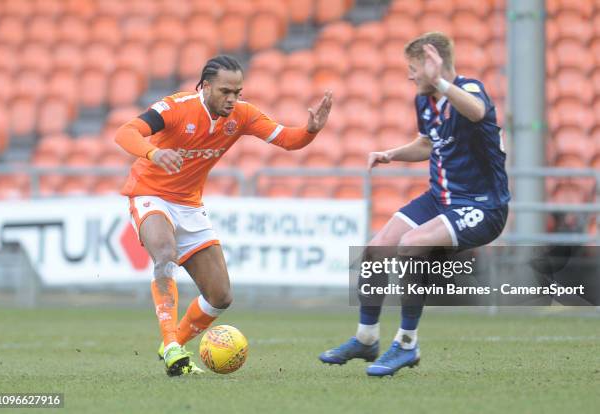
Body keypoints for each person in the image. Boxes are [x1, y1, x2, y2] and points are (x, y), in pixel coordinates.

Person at [115, 55, 332, 376]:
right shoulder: (176, 108)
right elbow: (126, 132)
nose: (232, 99)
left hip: (189, 204)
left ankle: (171, 344)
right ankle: (172, 345)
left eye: (237, 92)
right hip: (150, 193)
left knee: (220, 296)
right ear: (204, 87)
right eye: (225, 92)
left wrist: (310, 131)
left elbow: (288, 139)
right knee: (165, 253)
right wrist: (155, 152)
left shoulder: (242, 115)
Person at [319, 32, 510, 377]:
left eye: (414, 69)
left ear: (433, 63)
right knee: (376, 249)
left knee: (412, 245)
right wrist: (393, 154)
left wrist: (440, 80)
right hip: (440, 199)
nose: (410, 76)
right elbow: (427, 143)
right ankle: (366, 338)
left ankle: (407, 343)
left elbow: (478, 112)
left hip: (482, 205)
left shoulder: (469, 90)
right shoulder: (424, 100)